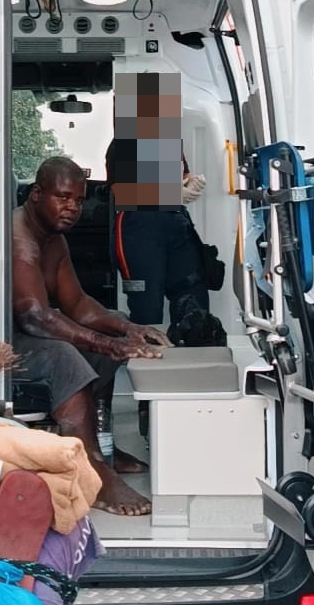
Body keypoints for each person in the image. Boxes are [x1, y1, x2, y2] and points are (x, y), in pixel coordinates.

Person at [12, 156, 171, 517]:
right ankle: (91, 466)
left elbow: (79, 305)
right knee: (66, 354)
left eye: (79, 201)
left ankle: (101, 441)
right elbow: (34, 317)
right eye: (62, 197)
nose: (72, 208)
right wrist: (104, 342)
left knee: (110, 321)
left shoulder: (53, 238)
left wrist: (126, 329)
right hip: (5, 343)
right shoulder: (20, 235)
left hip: (32, 333)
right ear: (37, 194)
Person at [106, 139, 211, 332]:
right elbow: (119, 191)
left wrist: (191, 182)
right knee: (147, 310)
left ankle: (194, 354)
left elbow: (183, 176)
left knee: (194, 300)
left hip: (176, 222)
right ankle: (146, 358)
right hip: (139, 227)